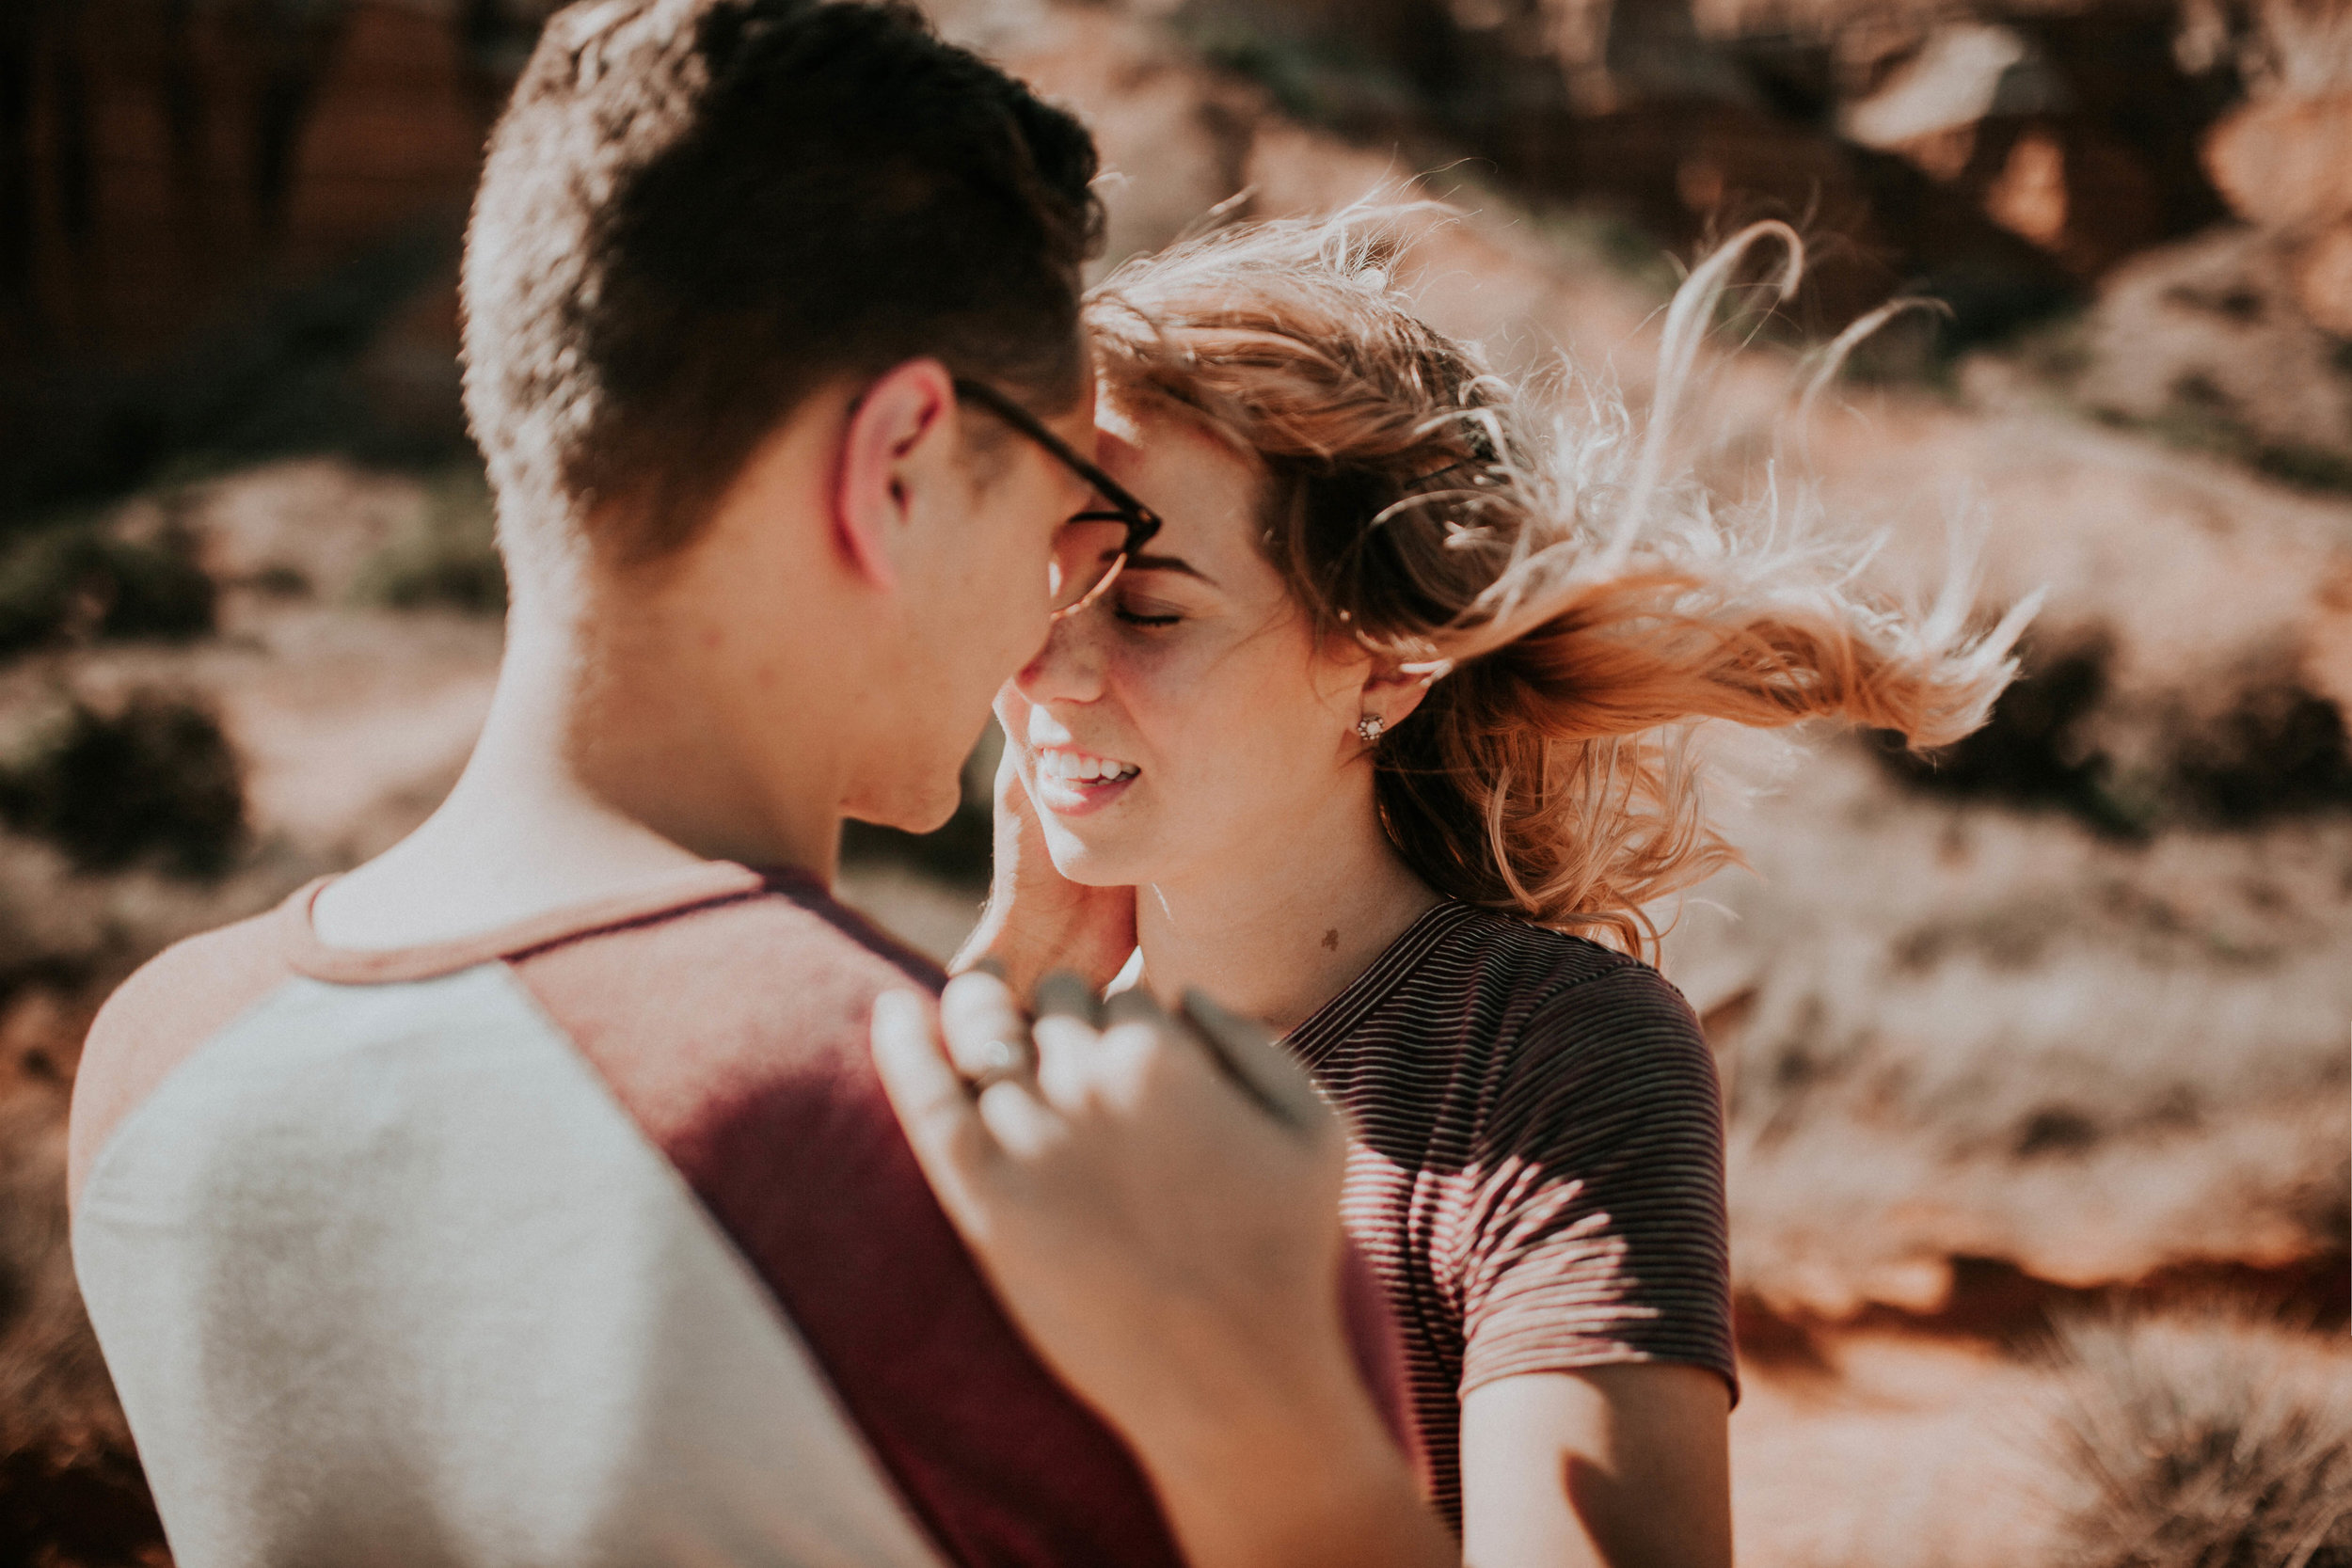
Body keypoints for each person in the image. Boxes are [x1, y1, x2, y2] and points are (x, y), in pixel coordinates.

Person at [64, 6, 1441, 1565]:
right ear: (901, 465)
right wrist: (1301, 1448)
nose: (1057, 618)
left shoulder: (155, 1065)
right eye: (1078, 517)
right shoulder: (1096, 1198)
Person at [873, 215, 2037, 1567]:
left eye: (1150, 609)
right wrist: (1012, 972)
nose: (1051, 673)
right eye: (1042, 587)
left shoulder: (1544, 1057)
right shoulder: (1014, 1029)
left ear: (1387, 665)